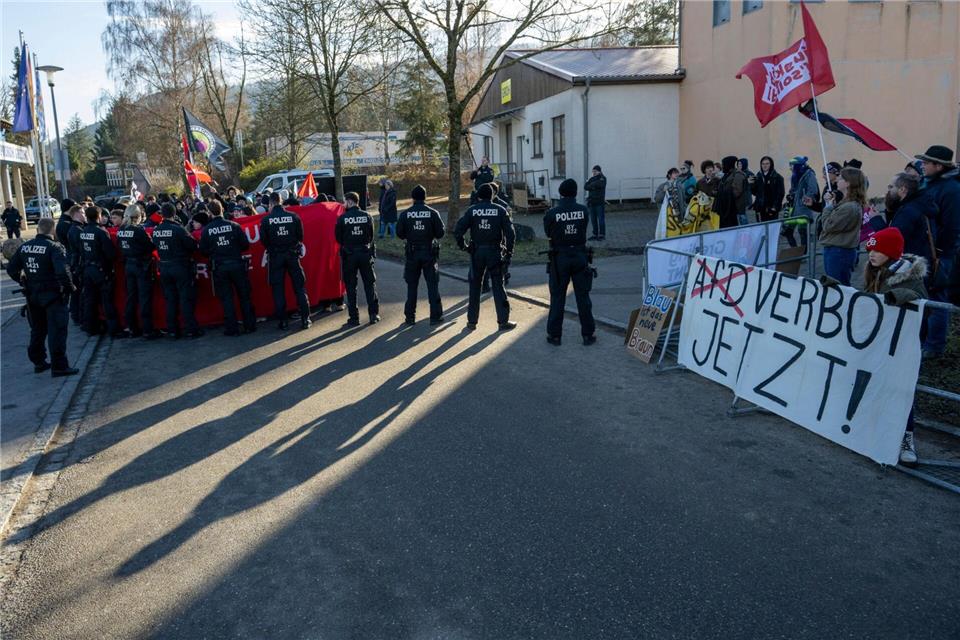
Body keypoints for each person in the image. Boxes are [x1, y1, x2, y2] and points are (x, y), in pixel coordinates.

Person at [860, 227, 928, 465]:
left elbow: (919, 297)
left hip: (902, 345)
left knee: (901, 390)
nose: (872, 253)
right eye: (870, 248)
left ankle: (906, 439)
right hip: (879, 342)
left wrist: (901, 295)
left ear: (891, 252)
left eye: (878, 249)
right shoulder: (874, 273)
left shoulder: (910, 276)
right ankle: (874, 432)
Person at [5, 217, 78, 376]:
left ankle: (38, 362)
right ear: (52, 230)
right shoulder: (54, 247)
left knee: (37, 330)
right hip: (53, 294)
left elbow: (11, 268)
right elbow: (62, 272)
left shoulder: (25, 247)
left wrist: (22, 281)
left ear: (38, 229)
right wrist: (70, 288)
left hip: (33, 295)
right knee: (57, 330)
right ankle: (59, 366)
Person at [915, 145, 960, 358]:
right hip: (925, 250)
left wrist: (940, 252)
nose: (922, 165)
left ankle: (934, 346)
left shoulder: (951, 189)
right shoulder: (929, 184)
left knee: (938, 298)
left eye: (926, 162)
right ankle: (922, 339)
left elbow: (951, 225)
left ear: (938, 165)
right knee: (926, 296)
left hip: (940, 254)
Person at [453, 183, 516, 331]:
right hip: (495, 252)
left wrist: (465, 247)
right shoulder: (500, 210)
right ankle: (503, 321)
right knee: (498, 286)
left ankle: (472, 322)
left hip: (477, 252)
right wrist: (508, 252)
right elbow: (511, 234)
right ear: (493, 196)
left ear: (479, 196)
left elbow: (458, 231)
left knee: (475, 287)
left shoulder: (472, 210)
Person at [543, 178, 596, 346]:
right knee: (583, 297)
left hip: (560, 258)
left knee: (558, 297)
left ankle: (555, 336)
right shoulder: (583, 210)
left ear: (560, 193)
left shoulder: (552, 213)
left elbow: (547, 232)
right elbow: (584, 227)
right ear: (575, 192)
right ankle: (588, 335)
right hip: (580, 255)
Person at [199, 200, 257, 336]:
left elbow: (203, 251)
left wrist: (215, 252)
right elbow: (245, 245)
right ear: (221, 210)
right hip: (236, 264)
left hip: (220, 267)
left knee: (226, 299)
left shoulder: (207, 230)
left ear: (210, 212)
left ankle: (232, 328)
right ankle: (250, 325)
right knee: (244, 296)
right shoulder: (234, 226)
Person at [395, 184, 445, 325]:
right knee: (432, 285)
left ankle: (410, 317)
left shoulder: (405, 214)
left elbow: (399, 233)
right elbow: (440, 233)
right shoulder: (433, 213)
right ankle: (435, 316)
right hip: (429, 252)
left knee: (412, 286)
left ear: (412, 197)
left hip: (412, 253)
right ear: (425, 197)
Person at [260, 191, 310, 330]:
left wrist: (274, 248)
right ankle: (305, 319)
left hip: (276, 258)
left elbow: (264, 241)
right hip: (292, 255)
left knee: (278, 290)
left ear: (270, 204)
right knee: (299, 287)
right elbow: (300, 237)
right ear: (281, 201)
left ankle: (283, 321)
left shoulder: (266, 220)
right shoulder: (293, 217)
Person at [154, 203, 203, 339]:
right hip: (180, 267)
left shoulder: (157, 230)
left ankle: (172, 330)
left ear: (161, 215)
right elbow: (192, 245)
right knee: (185, 298)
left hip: (164, 267)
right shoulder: (178, 229)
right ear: (174, 214)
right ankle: (191, 329)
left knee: (170, 300)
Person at [334, 192, 380, 326]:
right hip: (365, 254)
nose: (343, 204)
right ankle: (373, 315)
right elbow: (371, 236)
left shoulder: (342, 218)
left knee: (351, 287)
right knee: (369, 284)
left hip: (349, 255)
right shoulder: (367, 216)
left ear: (349, 201)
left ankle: (354, 318)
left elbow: (338, 238)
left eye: (344, 201)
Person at [871, 173, 936, 265]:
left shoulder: (908, 211)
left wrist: (875, 219)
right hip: (918, 260)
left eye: (891, 187)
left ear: (902, 189)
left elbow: (890, 240)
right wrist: (891, 210)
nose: (889, 190)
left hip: (911, 265)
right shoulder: (917, 204)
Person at [77, 206, 122, 337]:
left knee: (90, 300)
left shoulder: (83, 232)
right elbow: (111, 254)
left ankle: (90, 328)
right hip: (101, 271)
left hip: (87, 269)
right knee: (107, 301)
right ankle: (114, 329)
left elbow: (81, 251)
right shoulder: (101, 232)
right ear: (98, 216)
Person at [116, 204, 159, 339]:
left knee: (131, 297)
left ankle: (132, 328)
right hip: (141, 266)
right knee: (144, 298)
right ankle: (147, 330)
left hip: (129, 265)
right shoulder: (138, 230)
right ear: (138, 216)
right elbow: (151, 246)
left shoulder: (121, 230)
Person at [818, 167, 866, 286]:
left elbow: (828, 225)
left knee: (838, 287)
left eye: (840, 178)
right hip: (836, 249)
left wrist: (828, 206)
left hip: (839, 252)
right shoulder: (846, 203)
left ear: (848, 183)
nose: (837, 180)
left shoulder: (850, 206)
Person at [784, 156, 820, 247]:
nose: (790, 168)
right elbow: (793, 189)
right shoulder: (794, 175)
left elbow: (813, 189)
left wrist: (805, 198)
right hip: (793, 207)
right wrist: (790, 195)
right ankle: (795, 251)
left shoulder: (809, 174)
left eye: (792, 165)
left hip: (803, 207)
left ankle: (804, 254)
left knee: (802, 232)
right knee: (787, 232)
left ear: (798, 165)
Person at [715, 156, 747, 228]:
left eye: (723, 164)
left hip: (733, 210)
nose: (722, 167)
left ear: (728, 165)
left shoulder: (738, 175)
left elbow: (736, 192)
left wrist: (722, 193)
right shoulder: (726, 175)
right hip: (724, 209)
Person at [751, 156, 785, 223]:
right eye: (763, 164)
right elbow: (755, 192)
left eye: (767, 164)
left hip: (771, 208)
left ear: (771, 164)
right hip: (760, 208)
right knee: (761, 229)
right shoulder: (758, 176)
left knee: (772, 228)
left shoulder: (777, 177)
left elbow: (780, 194)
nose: (765, 166)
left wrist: (775, 207)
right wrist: (751, 184)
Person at [584, 165, 607, 241]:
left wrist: (591, 185)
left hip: (599, 203)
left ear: (599, 171)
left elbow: (600, 184)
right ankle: (595, 234)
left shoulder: (603, 178)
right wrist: (593, 186)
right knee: (593, 220)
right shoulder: (592, 179)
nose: (593, 173)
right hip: (591, 202)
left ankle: (602, 234)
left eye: (595, 171)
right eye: (593, 171)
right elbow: (585, 187)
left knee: (601, 219)